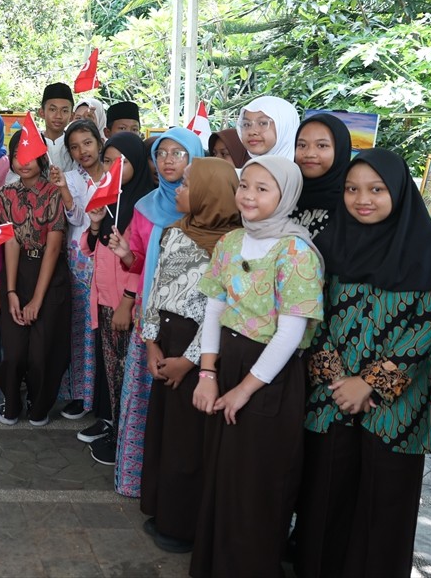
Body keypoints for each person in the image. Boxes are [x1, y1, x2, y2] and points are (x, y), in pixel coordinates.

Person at [294, 149, 431, 578]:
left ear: (399, 192)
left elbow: (423, 332)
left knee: (383, 506)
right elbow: (311, 319)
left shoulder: (427, 249)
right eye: (352, 189)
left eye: (376, 189)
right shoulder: (328, 245)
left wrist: (369, 384)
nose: (362, 199)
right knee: (325, 499)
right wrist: (340, 381)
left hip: (396, 408)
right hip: (330, 397)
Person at [189, 156, 324, 578]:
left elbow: (288, 335)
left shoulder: (296, 250)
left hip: (268, 377)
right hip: (227, 364)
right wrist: (208, 375)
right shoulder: (231, 241)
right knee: (221, 476)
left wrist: (244, 390)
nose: (248, 195)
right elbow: (213, 309)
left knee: (256, 485)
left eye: (262, 189)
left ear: (286, 195)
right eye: (244, 185)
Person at [138, 158, 240, 555]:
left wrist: (192, 360)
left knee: (189, 441)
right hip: (166, 337)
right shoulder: (174, 232)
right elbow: (156, 288)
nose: (178, 190)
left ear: (208, 193)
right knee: (164, 430)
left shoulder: (233, 245)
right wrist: (151, 343)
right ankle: (161, 508)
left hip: (200, 348)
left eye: (186, 184)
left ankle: (182, 525)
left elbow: (226, 311)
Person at [104, 127, 205, 483]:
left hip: (194, 323)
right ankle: (137, 479)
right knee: (143, 394)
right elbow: (140, 262)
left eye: (178, 153)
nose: (168, 160)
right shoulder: (145, 206)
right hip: (151, 317)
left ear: (195, 157)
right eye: (162, 153)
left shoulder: (210, 209)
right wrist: (127, 255)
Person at [77, 132, 156, 449]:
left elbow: (144, 261)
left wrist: (128, 302)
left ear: (135, 161)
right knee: (110, 368)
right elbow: (89, 248)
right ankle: (112, 423)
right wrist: (96, 225)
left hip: (128, 305)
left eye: (117, 161)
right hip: (103, 300)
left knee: (127, 370)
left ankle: (126, 435)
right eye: (106, 161)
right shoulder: (110, 199)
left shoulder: (145, 206)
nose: (109, 167)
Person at [0, 129, 71, 426]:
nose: (23, 162)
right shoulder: (5, 194)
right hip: (17, 270)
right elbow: (10, 241)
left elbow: (53, 248)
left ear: (41, 157)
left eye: (29, 156)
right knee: (13, 351)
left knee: (42, 353)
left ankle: (38, 404)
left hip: (50, 275)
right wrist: (11, 291)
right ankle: (11, 403)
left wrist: (37, 300)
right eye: (16, 156)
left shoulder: (54, 192)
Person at [50, 119, 108, 423]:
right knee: (80, 328)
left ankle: (102, 392)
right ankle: (78, 394)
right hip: (80, 260)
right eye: (74, 146)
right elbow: (73, 216)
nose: (82, 150)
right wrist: (64, 190)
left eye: (87, 142)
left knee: (106, 329)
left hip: (111, 258)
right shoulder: (71, 179)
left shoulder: (117, 174)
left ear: (99, 141)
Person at [292, 112, 352, 239]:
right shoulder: (282, 196)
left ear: (340, 151)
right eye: (302, 145)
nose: (309, 153)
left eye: (322, 146)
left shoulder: (351, 205)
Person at [238, 95, 300, 159]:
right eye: (246, 124)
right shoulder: (247, 168)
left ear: (284, 128)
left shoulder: (303, 168)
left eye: (263, 123)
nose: (251, 132)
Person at [40, 82, 76, 172]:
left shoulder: (75, 143)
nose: (58, 116)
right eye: (52, 109)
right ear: (42, 112)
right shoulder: (33, 141)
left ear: (71, 116)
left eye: (64, 111)